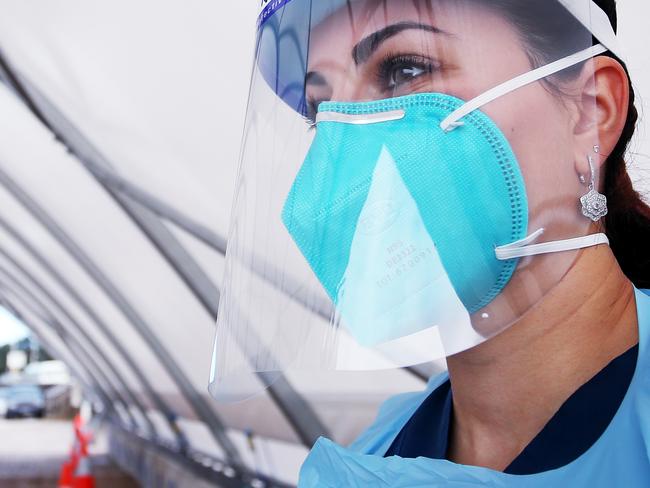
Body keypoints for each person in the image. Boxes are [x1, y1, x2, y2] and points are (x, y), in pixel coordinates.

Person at [210, 0, 650, 485]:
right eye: (322, 113)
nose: (345, 157)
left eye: (404, 70)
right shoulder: (371, 458)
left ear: (591, 111)